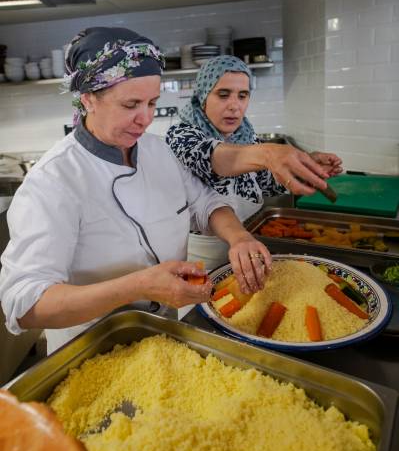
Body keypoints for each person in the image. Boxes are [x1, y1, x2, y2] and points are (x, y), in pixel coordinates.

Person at [0, 29, 270, 355]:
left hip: (165, 337)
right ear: (88, 98)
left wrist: (238, 237)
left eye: (152, 102)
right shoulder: (53, 181)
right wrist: (138, 286)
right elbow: (23, 305)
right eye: (130, 104)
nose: (145, 119)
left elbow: (205, 203)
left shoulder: (157, 151)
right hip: (93, 350)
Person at [166, 55, 342, 264]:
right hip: (204, 261)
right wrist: (268, 154)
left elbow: (266, 184)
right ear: (204, 96)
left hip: (251, 251)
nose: (234, 106)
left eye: (243, 95)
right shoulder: (180, 136)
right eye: (223, 95)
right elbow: (212, 158)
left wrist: (302, 167)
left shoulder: (246, 136)